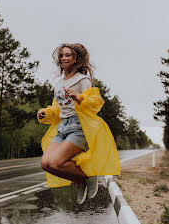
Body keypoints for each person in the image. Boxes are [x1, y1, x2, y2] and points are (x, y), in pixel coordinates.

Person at [37, 43, 120, 204]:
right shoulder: (59, 83)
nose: (63, 58)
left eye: (68, 55)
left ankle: (86, 175)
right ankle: (80, 180)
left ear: (76, 59)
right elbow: (57, 110)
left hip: (79, 128)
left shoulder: (83, 80)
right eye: (61, 55)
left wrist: (79, 97)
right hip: (63, 127)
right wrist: (44, 113)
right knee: (46, 164)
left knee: (55, 162)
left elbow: (95, 102)